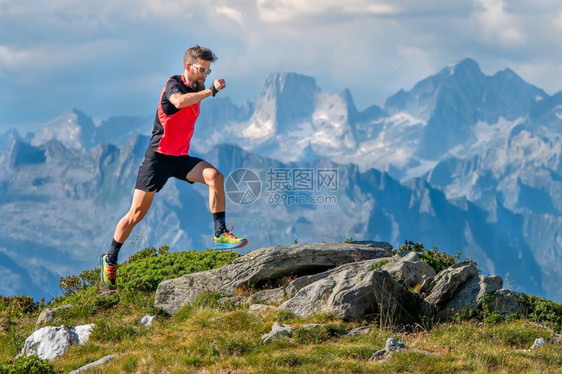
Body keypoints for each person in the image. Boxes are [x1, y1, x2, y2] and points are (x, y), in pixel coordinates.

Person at [99, 45, 247, 290]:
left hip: (179, 158)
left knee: (215, 176)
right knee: (136, 214)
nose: (205, 75)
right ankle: (110, 258)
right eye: (201, 70)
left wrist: (206, 89)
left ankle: (220, 233)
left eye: (208, 71)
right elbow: (178, 103)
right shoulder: (174, 85)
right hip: (157, 159)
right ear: (188, 67)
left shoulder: (198, 88)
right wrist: (211, 91)